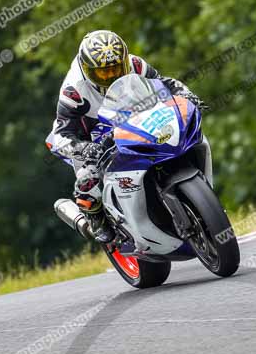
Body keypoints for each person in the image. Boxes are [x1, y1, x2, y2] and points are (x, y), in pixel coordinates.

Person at [45, 30, 203, 243]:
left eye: (116, 69)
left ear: (125, 61)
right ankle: (95, 218)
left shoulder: (135, 64)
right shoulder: (73, 91)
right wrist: (83, 148)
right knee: (88, 178)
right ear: (87, 70)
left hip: (131, 118)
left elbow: (164, 84)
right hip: (90, 135)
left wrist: (185, 95)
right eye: (103, 73)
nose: (111, 76)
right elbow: (61, 134)